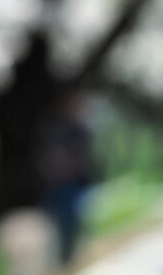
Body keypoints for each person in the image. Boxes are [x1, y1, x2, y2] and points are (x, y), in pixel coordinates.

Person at [39, 89, 97, 266]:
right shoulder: (54, 129)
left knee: (70, 225)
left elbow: (84, 158)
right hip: (55, 185)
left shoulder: (79, 131)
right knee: (50, 225)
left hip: (72, 185)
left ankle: (67, 261)